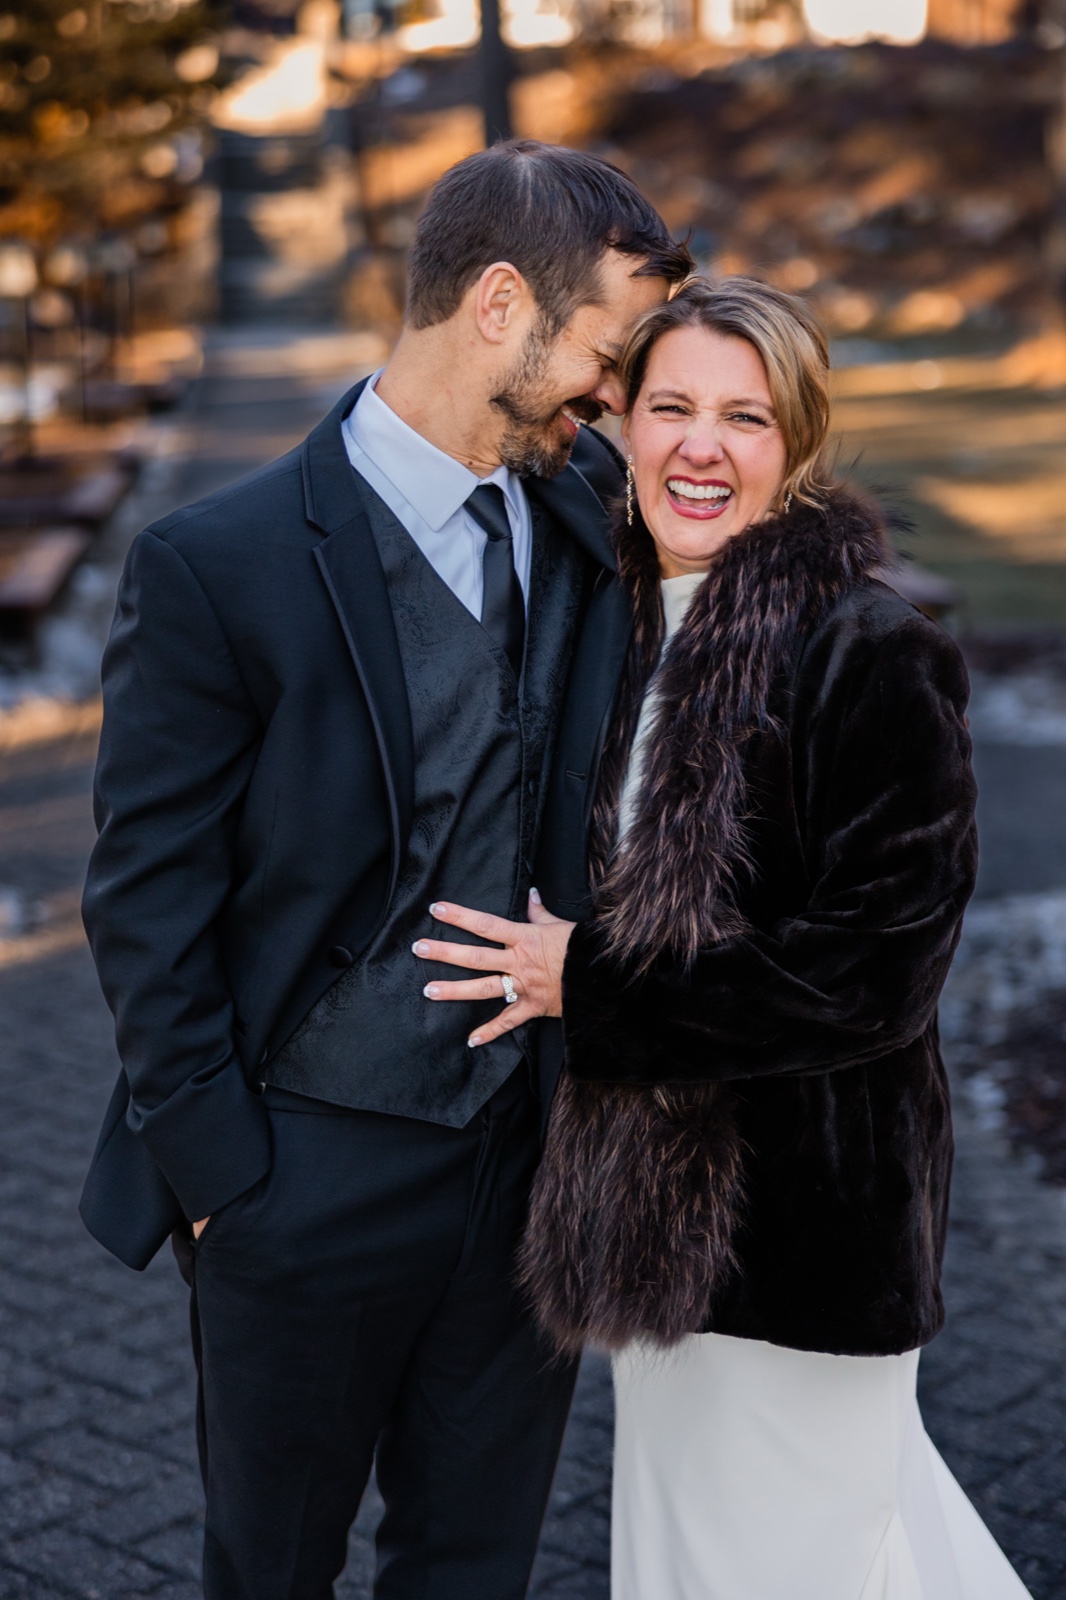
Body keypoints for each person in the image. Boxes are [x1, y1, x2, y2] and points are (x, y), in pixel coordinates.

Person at [79, 139, 690, 1599]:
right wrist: (223, 1172)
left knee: (473, 1569)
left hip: (522, 1172)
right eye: (603, 355)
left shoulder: (586, 521)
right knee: (272, 1569)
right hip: (301, 1172)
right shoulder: (215, 564)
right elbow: (143, 894)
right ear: (497, 304)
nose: (610, 397)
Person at [416, 276, 1034, 1597]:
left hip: (803, 1240)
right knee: (765, 1557)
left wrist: (590, 982)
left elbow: (873, 975)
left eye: (744, 418)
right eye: (672, 406)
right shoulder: (615, 629)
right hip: (648, 1231)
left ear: (795, 446)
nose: (701, 446)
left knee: (783, 1564)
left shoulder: (869, 651)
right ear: (620, 425)